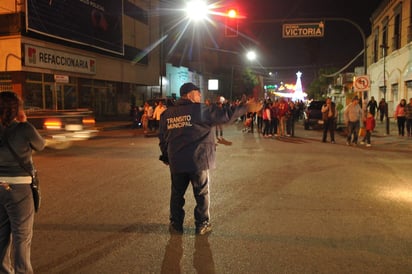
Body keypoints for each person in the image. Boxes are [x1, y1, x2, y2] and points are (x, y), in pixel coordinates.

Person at [158, 83, 246, 235]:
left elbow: (163, 138)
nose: (199, 96)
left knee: (177, 194)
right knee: (201, 193)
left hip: (177, 162)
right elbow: (225, 114)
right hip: (197, 160)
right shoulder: (199, 110)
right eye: (197, 93)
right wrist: (246, 108)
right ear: (190, 94)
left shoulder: (167, 114)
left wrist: (166, 156)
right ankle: (202, 224)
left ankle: (176, 224)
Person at [0, 91, 45, 274]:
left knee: (1, 235)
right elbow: (41, 145)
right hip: (19, 188)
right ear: (17, 110)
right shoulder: (24, 128)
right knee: (21, 236)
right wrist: (24, 120)